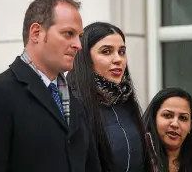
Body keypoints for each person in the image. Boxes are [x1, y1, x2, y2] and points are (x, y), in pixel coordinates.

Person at [0, 0, 101, 172]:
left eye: (79, 36)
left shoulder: (75, 101)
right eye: (68, 34)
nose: (78, 45)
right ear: (36, 33)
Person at [66, 22, 155, 172]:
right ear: (85, 58)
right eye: (106, 52)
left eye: (121, 52)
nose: (118, 59)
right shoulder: (71, 105)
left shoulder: (126, 101)